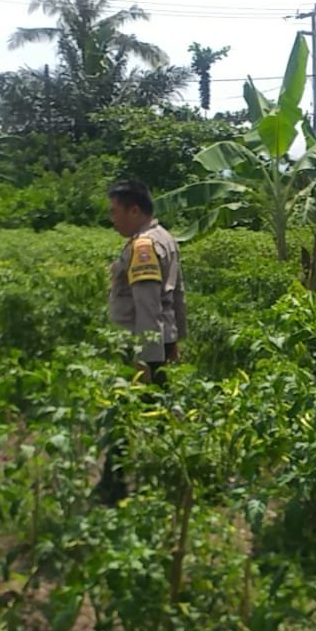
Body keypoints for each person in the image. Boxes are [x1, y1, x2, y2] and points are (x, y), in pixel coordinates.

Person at [95, 178, 188, 501]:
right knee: (161, 414)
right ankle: (178, 477)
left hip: (141, 348)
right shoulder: (165, 238)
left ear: (135, 210)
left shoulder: (144, 246)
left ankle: (113, 486)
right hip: (158, 345)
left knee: (121, 415)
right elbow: (176, 299)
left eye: (115, 211)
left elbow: (148, 306)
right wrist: (174, 342)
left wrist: (141, 358)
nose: (112, 218)